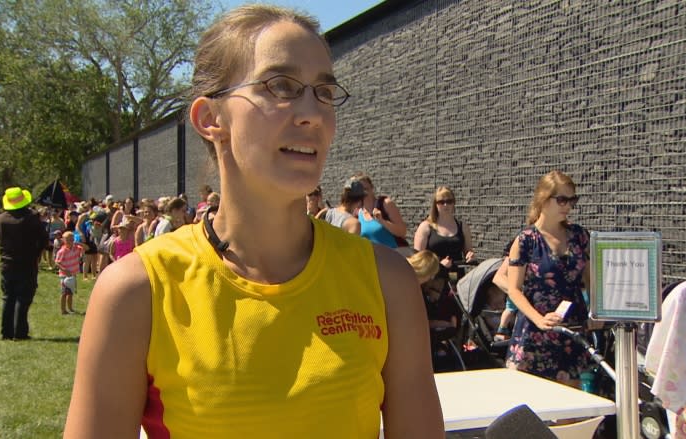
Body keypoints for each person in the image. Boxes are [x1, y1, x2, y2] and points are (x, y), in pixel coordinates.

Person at [64, 5, 443, 438]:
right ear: (210, 119)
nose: (312, 114)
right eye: (280, 86)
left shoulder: (386, 281)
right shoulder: (138, 291)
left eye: (323, 92)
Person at [505, 170, 590, 388]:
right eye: (561, 199)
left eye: (572, 200)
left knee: (572, 406)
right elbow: (514, 289)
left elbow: (591, 279)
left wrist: (596, 312)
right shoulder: (526, 240)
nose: (568, 206)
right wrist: (539, 319)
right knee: (534, 405)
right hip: (535, 330)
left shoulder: (579, 235)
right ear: (543, 199)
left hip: (572, 327)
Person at [0, 187, 46, 340]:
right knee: (23, 298)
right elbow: (43, 239)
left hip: (6, 263)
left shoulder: (0, 219)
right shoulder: (31, 218)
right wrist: (37, 254)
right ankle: (20, 332)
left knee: (8, 297)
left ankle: (6, 332)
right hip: (27, 263)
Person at [413, 186, 475, 282]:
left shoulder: (462, 226)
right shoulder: (426, 227)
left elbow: (468, 251)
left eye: (449, 201)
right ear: (435, 204)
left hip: (457, 279)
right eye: (441, 202)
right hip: (433, 281)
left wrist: (470, 256)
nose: (446, 205)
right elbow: (418, 259)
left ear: (453, 203)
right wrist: (439, 265)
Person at [353, 172, 408, 248]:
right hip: (373, 258)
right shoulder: (358, 212)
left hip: (394, 257)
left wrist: (382, 221)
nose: (363, 193)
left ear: (372, 188)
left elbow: (402, 232)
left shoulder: (385, 204)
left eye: (366, 189)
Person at [55, 231, 85, 314]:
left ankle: (70, 308)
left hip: (73, 274)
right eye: (68, 240)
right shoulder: (62, 251)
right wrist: (64, 270)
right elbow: (57, 262)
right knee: (64, 293)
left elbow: (87, 248)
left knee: (70, 293)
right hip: (65, 276)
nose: (70, 241)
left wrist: (79, 243)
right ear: (64, 240)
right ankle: (63, 310)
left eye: (72, 239)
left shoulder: (76, 248)